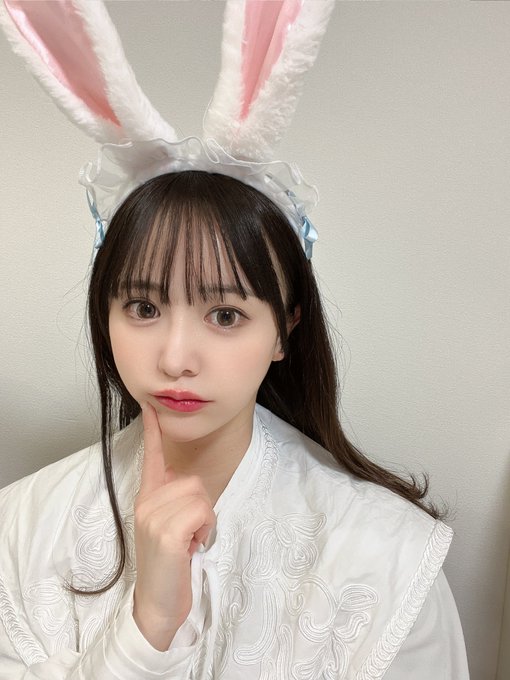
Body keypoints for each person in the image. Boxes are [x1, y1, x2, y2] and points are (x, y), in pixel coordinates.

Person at [0, 1, 470, 678]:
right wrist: (145, 631)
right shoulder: (21, 529)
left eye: (224, 315)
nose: (175, 358)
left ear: (286, 327)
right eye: (143, 307)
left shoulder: (387, 559)